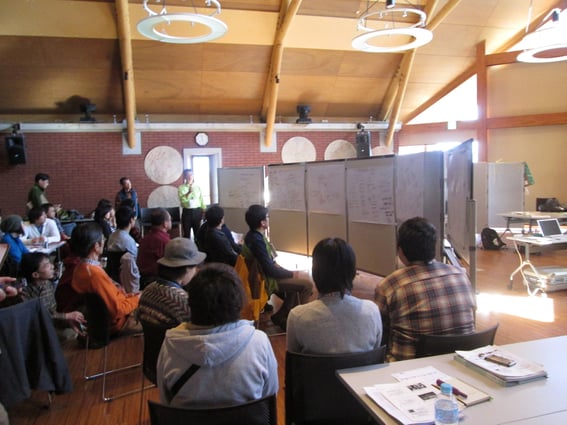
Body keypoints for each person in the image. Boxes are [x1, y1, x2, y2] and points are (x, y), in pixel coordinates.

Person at [157, 263, 278, 408]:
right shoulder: (258, 341)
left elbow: (166, 402)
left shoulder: (171, 343)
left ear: (191, 303)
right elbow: (270, 398)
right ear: (238, 302)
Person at [375, 217, 476, 362]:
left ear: (400, 251)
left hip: (408, 368)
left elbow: (378, 333)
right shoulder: (461, 274)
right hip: (460, 363)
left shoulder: (390, 286)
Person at [286, 237, 382, 354]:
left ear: (316, 272)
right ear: (352, 272)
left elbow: (294, 357)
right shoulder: (372, 311)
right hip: (364, 367)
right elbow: (376, 351)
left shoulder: (298, 316)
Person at [243, 204, 313, 330]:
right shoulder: (258, 241)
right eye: (267, 217)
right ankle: (299, 322)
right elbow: (270, 270)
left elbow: (271, 263)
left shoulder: (252, 236)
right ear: (262, 222)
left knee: (295, 284)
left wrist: (288, 272)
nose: (269, 219)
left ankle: (281, 317)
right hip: (265, 281)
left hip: (262, 277)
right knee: (307, 285)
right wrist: (291, 274)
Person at [71, 222, 139, 334]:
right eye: (102, 239)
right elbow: (117, 310)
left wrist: (131, 297)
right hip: (118, 323)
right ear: (96, 246)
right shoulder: (94, 275)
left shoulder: (80, 268)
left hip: (103, 321)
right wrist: (137, 299)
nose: (104, 241)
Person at [138, 237, 205, 328]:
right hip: (175, 337)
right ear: (187, 268)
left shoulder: (148, 289)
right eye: (195, 267)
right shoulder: (184, 302)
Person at [19, 252, 86, 335]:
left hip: (53, 321)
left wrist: (68, 320)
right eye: (47, 265)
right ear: (35, 275)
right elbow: (39, 318)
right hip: (38, 330)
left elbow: (53, 312)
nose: (52, 266)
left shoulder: (48, 283)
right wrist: (66, 316)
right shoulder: (24, 294)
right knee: (69, 334)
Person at [106, 206, 140, 293]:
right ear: (131, 220)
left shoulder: (111, 236)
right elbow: (134, 262)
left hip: (113, 276)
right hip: (127, 280)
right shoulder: (129, 241)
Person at [137, 208, 172, 288]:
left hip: (142, 280)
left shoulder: (144, 239)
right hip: (158, 282)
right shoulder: (164, 241)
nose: (171, 221)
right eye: (170, 220)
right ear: (165, 224)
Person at [178, 169, 205, 240]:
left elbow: (201, 199)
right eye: (188, 175)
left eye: (191, 175)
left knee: (198, 233)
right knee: (186, 234)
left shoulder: (197, 187)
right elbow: (182, 201)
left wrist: (204, 209)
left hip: (197, 211)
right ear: (185, 177)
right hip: (187, 212)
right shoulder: (181, 188)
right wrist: (188, 193)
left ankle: (198, 246)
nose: (190, 177)